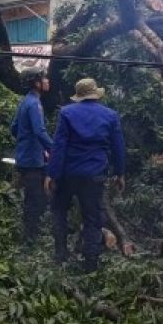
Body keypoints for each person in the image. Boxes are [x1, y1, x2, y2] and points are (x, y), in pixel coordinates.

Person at [45, 78, 126, 272]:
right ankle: (90, 263)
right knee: (92, 219)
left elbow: (59, 145)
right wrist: (120, 173)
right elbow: (118, 148)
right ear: (96, 94)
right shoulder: (110, 115)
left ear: (79, 96)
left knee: (59, 212)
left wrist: (51, 174)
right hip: (94, 175)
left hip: (68, 174)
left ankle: (60, 255)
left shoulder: (66, 113)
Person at [10, 68, 53, 247]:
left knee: (35, 197)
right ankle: (30, 239)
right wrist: (53, 149)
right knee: (35, 199)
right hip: (33, 160)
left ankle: (33, 234)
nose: (47, 80)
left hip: (26, 157)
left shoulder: (25, 101)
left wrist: (25, 143)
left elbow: (14, 127)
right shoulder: (34, 104)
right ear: (36, 83)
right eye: (43, 78)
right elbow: (40, 131)